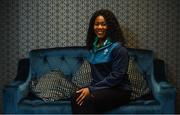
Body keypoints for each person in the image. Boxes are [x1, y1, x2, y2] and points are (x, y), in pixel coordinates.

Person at [71, 9, 132, 114]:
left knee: (88, 100)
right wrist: (92, 88)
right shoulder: (93, 47)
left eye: (103, 24)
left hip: (119, 90)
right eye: (97, 24)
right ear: (92, 26)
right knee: (75, 97)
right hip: (101, 88)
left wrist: (91, 89)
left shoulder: (118, 48)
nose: (99, 27)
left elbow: (117, 76)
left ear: (110, 27)